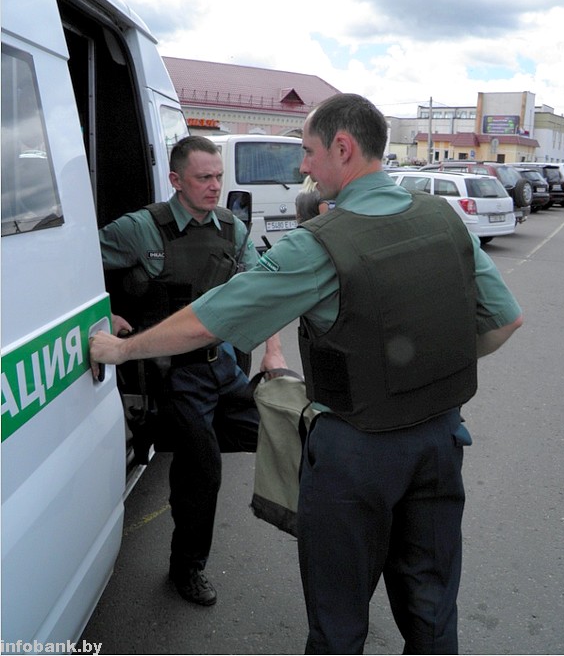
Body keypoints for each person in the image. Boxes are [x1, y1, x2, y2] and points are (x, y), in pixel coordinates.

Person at [91, 95, 523, 654]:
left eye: (309, 152)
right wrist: (425, 374)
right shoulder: (443, 218)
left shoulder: (320, 244)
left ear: (343, 149)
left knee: (339, 619)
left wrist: (123, 352)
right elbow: (506, 319)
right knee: (432, 608)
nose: (303, 166)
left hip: (356, 455)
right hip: (440, 443)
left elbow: (210, 320)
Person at [98, 135, 285, 607]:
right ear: (175, 180)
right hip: (173, 375)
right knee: (203, 472)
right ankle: (187, 568)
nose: (215, 186)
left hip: (222, 367)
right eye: (204, 178)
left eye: (219, 176)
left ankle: (185, 440)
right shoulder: (140, 229)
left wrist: (273, 351)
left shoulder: (230, 227)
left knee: (281, 432)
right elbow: (70, 265)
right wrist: (103, 315)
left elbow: (263, 290)